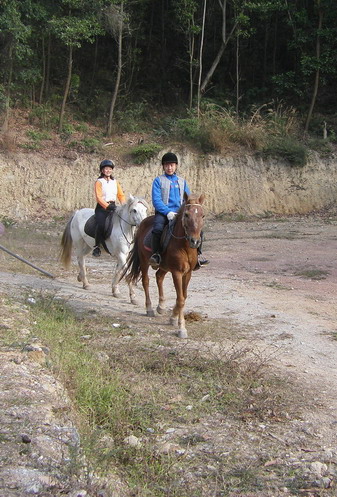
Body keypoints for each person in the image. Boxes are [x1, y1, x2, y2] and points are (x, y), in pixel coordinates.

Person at [149, 152, 209, 270]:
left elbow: (188, 199)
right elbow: (156, 200)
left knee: (197, 230)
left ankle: (197, 256)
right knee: (157, 229)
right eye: (167, 165)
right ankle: (156, 255)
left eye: (172, 165)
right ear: (163, 167)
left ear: (176, 166)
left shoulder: (182, 181)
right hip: (164, 212)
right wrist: (167, 212)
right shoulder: (158, 181)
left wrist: (188, 211)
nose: (169, 168)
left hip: (181, 214)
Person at [92, 159, 126, 257]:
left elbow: (121, 195)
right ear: (102, 170)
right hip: (102, 208)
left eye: (110, 169)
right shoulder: (99, 182)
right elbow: (98, 197)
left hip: (113, 206)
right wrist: (107, 206)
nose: (108, 170)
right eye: (106, 169)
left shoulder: (115, 182)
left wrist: (123, 205)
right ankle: (97, 246)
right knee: (101, 224)